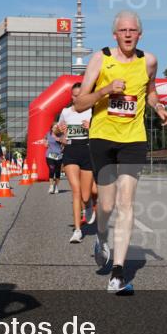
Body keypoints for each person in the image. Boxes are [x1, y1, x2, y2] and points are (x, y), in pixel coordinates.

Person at [74, 10, 167, 294]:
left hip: (133, 140)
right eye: (123, 30)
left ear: (139, 34)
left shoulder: (149, 61)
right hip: (103, 137)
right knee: (105, 206)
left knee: (126, 204)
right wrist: (105, 90)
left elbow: (150, 91)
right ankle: (101, 237)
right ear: (114, 34)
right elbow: (80, 104)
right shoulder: (100, 59)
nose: (128, 34)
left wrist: (158, 106)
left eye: (133, 30)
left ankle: (117, 272)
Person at [58, 83, 96, 242]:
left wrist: (91, 127)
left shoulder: (92, 110)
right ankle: (77, 230)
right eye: (74, 95)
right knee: (76, 190)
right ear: (71, 96)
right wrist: (60, 132)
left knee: (86, 195)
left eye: (80, 95)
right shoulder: (65, 112)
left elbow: (103, 131)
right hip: (70, 151)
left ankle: (88, 205)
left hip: (87, 150)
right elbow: (57, 129)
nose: (77, 98)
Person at [45, 123, 66, 194]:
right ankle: (51, 186)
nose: (55, 128)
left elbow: (65, 144)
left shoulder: (61, 135)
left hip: (59, 155)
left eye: (57, 127)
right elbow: (45, 141)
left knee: (57, 172)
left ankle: (56, 186)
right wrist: (45, 143)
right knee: (51, 169)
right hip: (50, 155)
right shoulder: (48, 134)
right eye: (54, 127)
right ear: (51, 128)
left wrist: (60, 141)